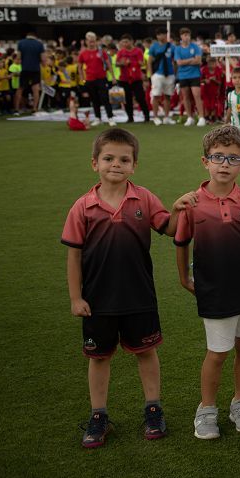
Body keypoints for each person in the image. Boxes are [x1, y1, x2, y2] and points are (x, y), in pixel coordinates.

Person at [62, 128, 176, 448]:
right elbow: (73, 256)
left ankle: (153, 408)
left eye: (124, 159)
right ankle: (99, 415)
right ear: (94, 163)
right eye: (108, 158)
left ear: (134, 165)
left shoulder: (145, 198)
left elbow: (170, 228)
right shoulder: (82, 207)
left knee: (146, 351)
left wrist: (182, 209)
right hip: (98, 301)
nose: (116, 164)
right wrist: (75, 297)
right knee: (99, 358)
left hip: (139, 296)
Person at [172, 126, 240, 439]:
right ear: (205, 161)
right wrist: (185, 276)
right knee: (217, 352)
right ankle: (207, 409)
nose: (224, 164)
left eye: (233, 158)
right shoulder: (192, 203)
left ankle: (239, 402)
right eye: (217, 157)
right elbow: (181, 241)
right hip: (215, 290)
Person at [78, 32, 116, 127]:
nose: (92, 43)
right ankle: (97, 118)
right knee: (94, 100)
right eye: (90, 41)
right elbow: (79, 67)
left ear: (96, 42)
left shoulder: (101, 52)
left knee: (105, 99)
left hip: (102, 79)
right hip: (90, 80)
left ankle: (110, 118)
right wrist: (83, 80)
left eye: (93, 41)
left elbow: (108, 64)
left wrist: (113, 77)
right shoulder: (83, 53)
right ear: (86, 42)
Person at [173, 28, 206, 127]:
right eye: (184, 35)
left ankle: (201, 117)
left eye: (187, 35)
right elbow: (179, 63)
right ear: (181, 36)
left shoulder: (195, 47)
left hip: (194, 74)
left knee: (197, 96)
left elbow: (198, 61)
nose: (186, 37)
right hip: (183, 75)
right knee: (186, 97)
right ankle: (190, 117)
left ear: (190, 36)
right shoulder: (178, 49)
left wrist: (185, 61)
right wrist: (192, 59)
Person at [115, 35, 149, 123]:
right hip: (124, 79)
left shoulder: (138, 51)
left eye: (126, 41)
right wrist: (123, 63)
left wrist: (132, 62)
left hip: (136, 79)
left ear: (131, 41)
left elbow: (141, 63)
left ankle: (147, 116)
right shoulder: (121, 52)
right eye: (123, 42)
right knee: (127, 99)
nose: (125, 44)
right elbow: (117, 63)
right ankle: (130, 117)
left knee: (140, 97)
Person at [148, 29, 177, 125]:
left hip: (170, 74)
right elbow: (149, 61)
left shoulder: (171, 46)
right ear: (157, 36)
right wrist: (151, 74)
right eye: (160, 34)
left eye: (164, 34)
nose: (162, 36)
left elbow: (175, 61)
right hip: (158, 74)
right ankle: (155, 117)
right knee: (156, 96)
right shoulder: (154, 46)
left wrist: (175, 74)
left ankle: (166, 117)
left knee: (168, 96)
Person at [16, 31, 45, 113]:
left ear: (27, 36)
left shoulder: (21, 43)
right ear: (35, 36)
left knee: (20, 88)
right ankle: (34, 108)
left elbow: (18, 57)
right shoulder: (39, 44)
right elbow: (43, 58)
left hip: (24, 68)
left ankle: (16, 108)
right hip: (35, 69)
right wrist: (43, 64)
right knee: (35, 89)